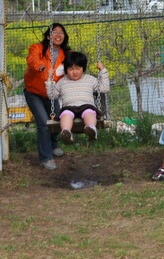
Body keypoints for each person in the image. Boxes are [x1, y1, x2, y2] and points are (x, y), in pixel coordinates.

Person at [24, 23, 70, 170]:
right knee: (44, 124)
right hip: (34, 92)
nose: (58, 35)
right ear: (48, 36)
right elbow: (32, 59)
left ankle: (54, 144)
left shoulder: (66, 53)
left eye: (61, 32)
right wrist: (40, 66)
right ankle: (46, 157)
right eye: (55, 32)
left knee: (57, 119)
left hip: (51, 93)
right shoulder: (37, 48)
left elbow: (74, 63)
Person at [45, 51, 110, 144]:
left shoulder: (90, 79)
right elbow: (52, 95)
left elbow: (104, 88)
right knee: (65, 114)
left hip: (86, 105)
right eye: (71, 69)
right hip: (69, 107)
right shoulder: (62, 82)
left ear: (83, 68)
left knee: (89, 112)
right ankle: (66, 132)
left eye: (78, 68)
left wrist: (102, 70)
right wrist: (49, 79)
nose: (74, 72)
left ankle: (91, 128)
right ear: (66, 70)